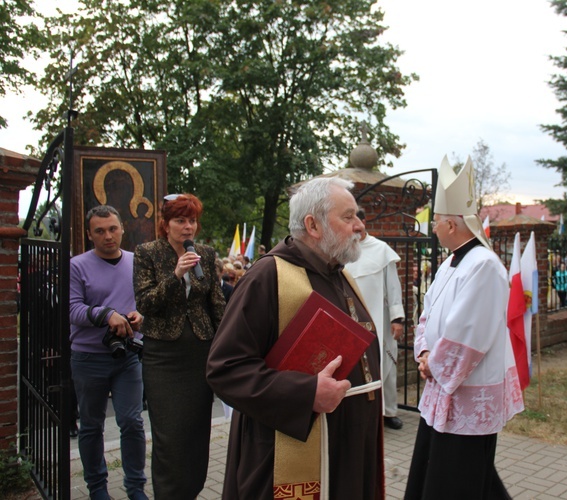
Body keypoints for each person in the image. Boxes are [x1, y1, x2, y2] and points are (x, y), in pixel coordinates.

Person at [206, 177, 384, 499]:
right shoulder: (267, 277)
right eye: (348, 217)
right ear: (313, 225)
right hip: (286, 453)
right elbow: (225, 369)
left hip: (346, 449)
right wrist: (307, 393)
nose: (359, 226)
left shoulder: (339, 274)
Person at [404, 156, 524, 500]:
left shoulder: (483, 266)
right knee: (447, 471)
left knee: (460, 477)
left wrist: (435, 364)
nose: (434, 228)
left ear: (452, 225)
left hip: (465, 388)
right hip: (442, 384)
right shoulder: (448, 264)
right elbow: (427, 314)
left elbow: (470, 332)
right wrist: (425, 352)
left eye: (437, 222)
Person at [133, 194, 225, 498]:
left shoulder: (206, 255)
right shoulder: (147, 253)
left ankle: (192, 490)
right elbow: (146, 303)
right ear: (165, 224)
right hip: (163, 357)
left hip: (200, 352)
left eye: (192, 221)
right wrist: (176, 275)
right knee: (169, 435)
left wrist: (228, 341)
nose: (188, 228)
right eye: (180, 220)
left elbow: (216, 304)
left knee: (197, 432)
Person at [68, 205, 147, 500]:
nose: (108, 236)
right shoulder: (77, 265)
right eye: (99, 231)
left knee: (132, 421)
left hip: (127, 356)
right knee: (91, 425)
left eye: (112, 229)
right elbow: (72, 309)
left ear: (122, 228)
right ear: (90, 235)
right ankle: (98, 489)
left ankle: (136, 488)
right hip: (88, 356)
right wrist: (106, 314)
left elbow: (146, 301)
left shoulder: (136, 261)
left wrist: (140, 316)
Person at [346, 207, 406, 430]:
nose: (356, 230)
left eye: (359, 226)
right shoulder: (342, 250)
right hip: (351, 320)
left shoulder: (381, 249)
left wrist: (397, 318)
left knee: (386, 367)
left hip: (379, 319)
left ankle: (389, 412)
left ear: (364, 223)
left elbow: (393, 285)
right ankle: (361, 412)